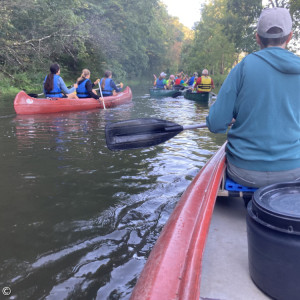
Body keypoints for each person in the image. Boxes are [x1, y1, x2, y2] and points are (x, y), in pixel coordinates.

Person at [206, 7, 300, 188]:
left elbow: (216, 123)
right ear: (290, 37)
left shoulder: (243, 67)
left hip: (245, 172)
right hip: (293, 172)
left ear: (257, 38)